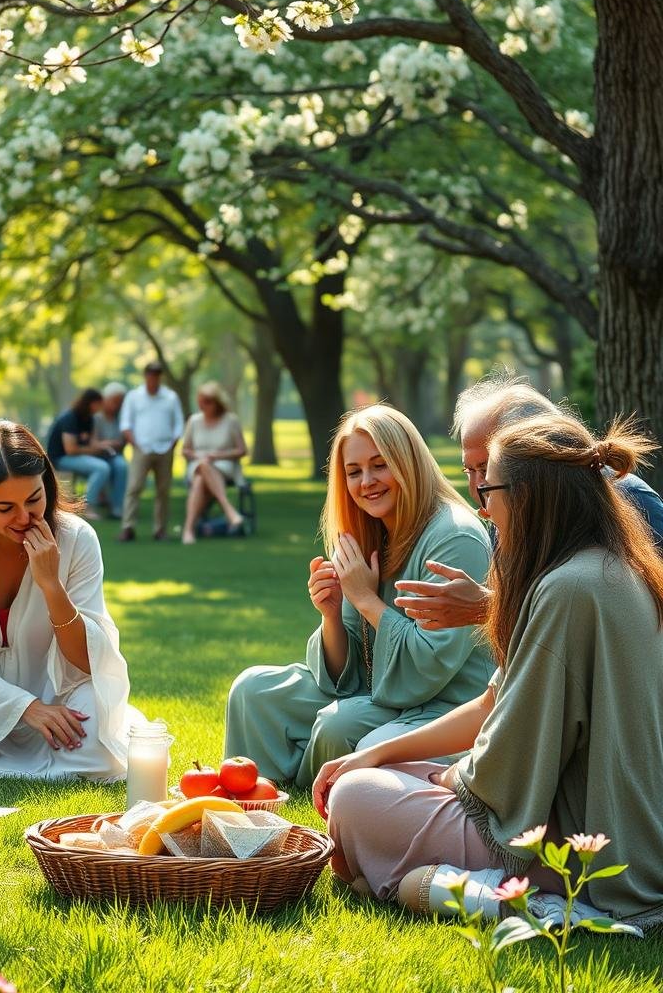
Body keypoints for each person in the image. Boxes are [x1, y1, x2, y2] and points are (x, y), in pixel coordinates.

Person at [317, 414, 663, 929]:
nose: (482, 506)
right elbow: (491, 705)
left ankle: (524, 899)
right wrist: (375, 754)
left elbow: (507, 762)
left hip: (587, 850)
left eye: (489, 487)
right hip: (580, 818)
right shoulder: (602, 567)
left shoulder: (568, 591)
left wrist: (448, 776)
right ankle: (424, 877)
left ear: (528, 496)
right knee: (374, 773)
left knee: (355, 798)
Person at [224, 404, 492, 788]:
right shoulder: (368, 531)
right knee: (253, 691)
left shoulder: (454, 537)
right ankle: (251, 796)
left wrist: (366, 599)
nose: (367, 482)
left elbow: (429, 667)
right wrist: (331, 614)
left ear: (408, 462)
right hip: (378, 694)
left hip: (442, 706)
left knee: (340, 727)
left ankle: (305, 786)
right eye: (353, 472)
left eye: (380, 465)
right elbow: (344, 675)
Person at [0, 420, 141, 779]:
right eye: (5, 508)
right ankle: (5, 759)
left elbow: (89, 661)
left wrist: (51, 585)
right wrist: (24, 707)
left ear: (46, 483)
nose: (24, 517)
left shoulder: (77, 539)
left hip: (56, 701)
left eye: (34, 499)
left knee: (99, 736)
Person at [393, 371, 663, 631]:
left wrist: (487, 608)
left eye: (487, 466)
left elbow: (630, 616)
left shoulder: (631, 499)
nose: (478, 486)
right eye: (469, 469)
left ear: (539, 449)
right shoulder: (504, 511)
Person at [118, 361, 185, 542]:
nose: (153, 378)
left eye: (156, 375)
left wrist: (173, 443)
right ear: (145, 376)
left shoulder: (170, 397)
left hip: (165, 449)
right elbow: (126, 423)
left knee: (163, 490)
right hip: (141, 448)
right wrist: (135, 443)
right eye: (150, 374)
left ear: (160, 377)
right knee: (134, 488)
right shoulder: (134, 396)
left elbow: (179, 423)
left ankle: (160, 529)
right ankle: (128, 527)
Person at [180, 381, 248, 544]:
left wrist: (217, 455)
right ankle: (229, 511)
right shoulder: (194, 421)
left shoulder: (230, 421)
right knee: (201, 471)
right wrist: (198, 455)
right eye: (200, 401)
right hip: (197, 464)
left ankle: (188, 529)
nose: (203, 406)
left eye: (207, 402)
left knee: (201, 475)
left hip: (224, 465)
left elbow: (242, 450)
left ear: (217, 402)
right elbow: (185, 450)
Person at [47, 388, 127, 521]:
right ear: (91, 403)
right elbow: (71, 449)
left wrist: (102, 446)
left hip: (77, 456)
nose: (101, 408)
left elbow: (89, 442)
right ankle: (87, 507)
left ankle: (112, 505)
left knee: (112, 465)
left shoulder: (88, 419)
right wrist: (95, 450)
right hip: (61, 458)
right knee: (102, 467)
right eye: (99, 404)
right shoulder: (70, 418)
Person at [93, 381, 129, 514]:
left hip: (115, 455)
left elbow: (123, 442)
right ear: (106, 399)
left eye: (120, 402)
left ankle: (117, 507)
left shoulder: (121, 418)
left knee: (122, 466)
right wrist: (108, 444)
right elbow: (93, 442)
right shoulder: (96, 417)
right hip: (97, 455)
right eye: (115, 401)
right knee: (103, 468)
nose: (117, 405)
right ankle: (101, 500)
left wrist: (112, 444)